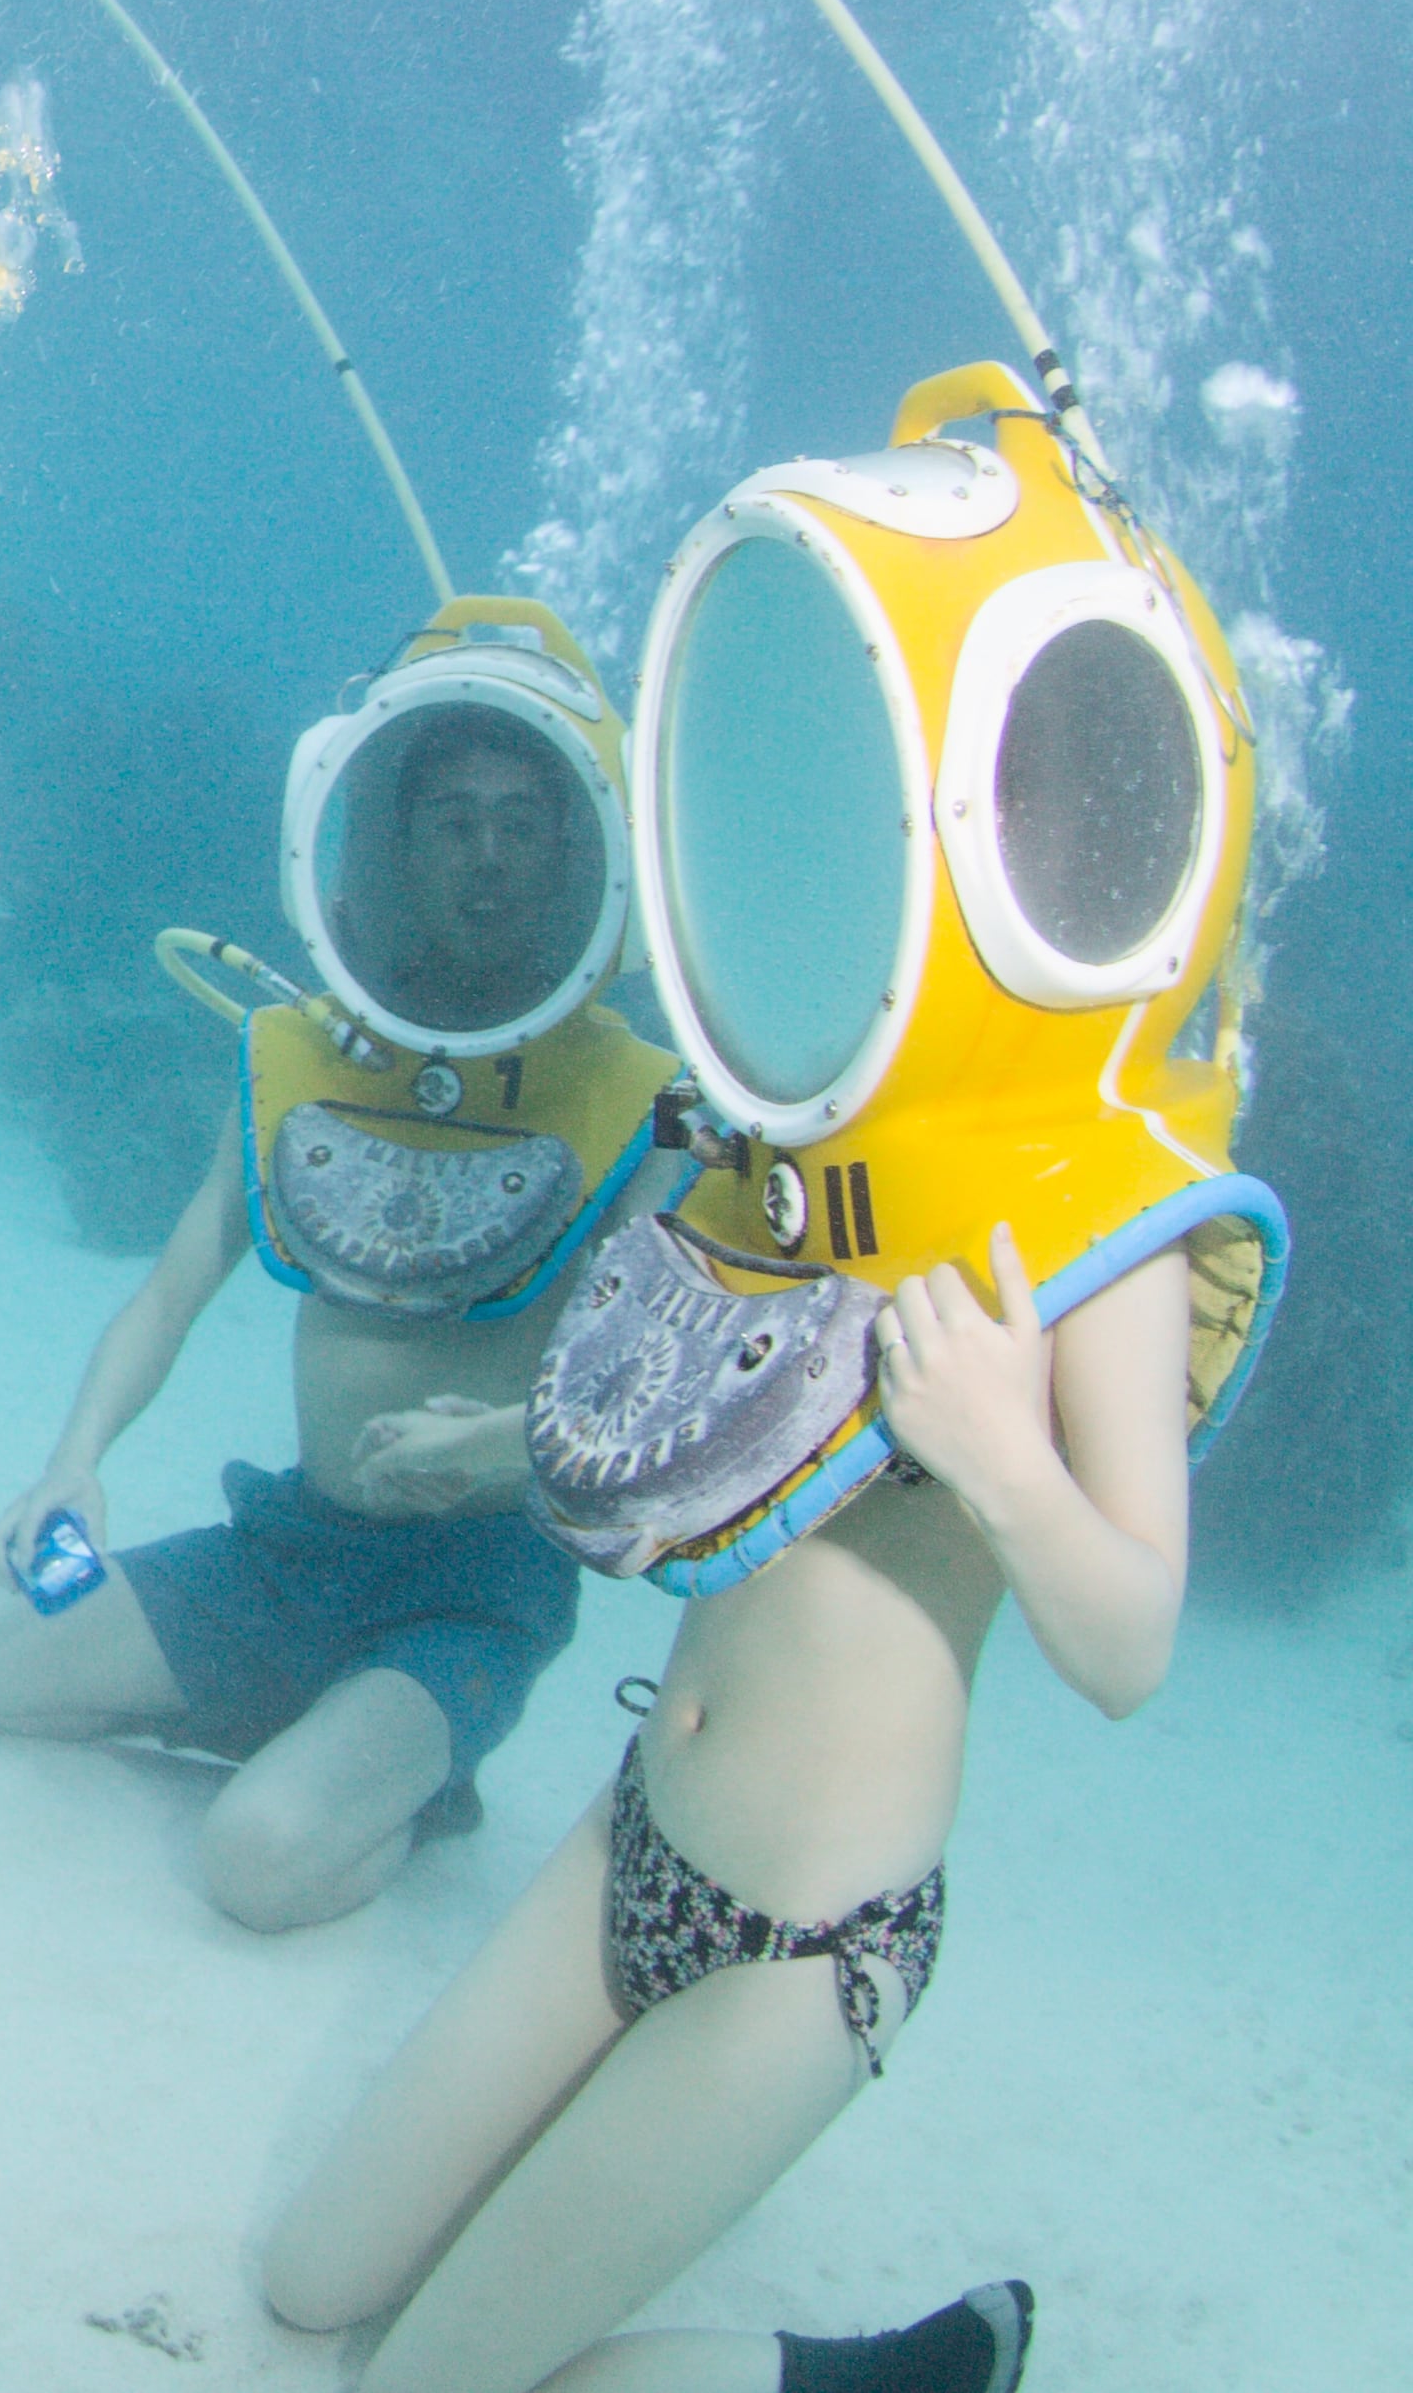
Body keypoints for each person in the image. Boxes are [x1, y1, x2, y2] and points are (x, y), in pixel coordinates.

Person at [257, 366, 1291, 2391]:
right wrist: (508, 1427)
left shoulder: (1111, 1222)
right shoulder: (798, 1131)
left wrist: (997, 1457)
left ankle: (909, 2367)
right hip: (626, 1837)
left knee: (437, 2388)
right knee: (308, 2285)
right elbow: (703, 1399)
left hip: (812, 1943)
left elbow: (1130, 1636)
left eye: (1054, 800)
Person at [0, 613, 671, 1928]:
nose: (486, 856)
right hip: (287, 1546)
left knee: (254, 1862)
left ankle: (414, 1775)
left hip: (472, 1590)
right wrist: (73, 1460)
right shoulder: (295, 1057)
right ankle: (308, 1721)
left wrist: (503, 1447)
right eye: (451, 823)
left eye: (520, 823)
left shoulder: (638, 1105)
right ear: (392, 842)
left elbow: (651, 1398)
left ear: (575, 851)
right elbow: (168, 1292)